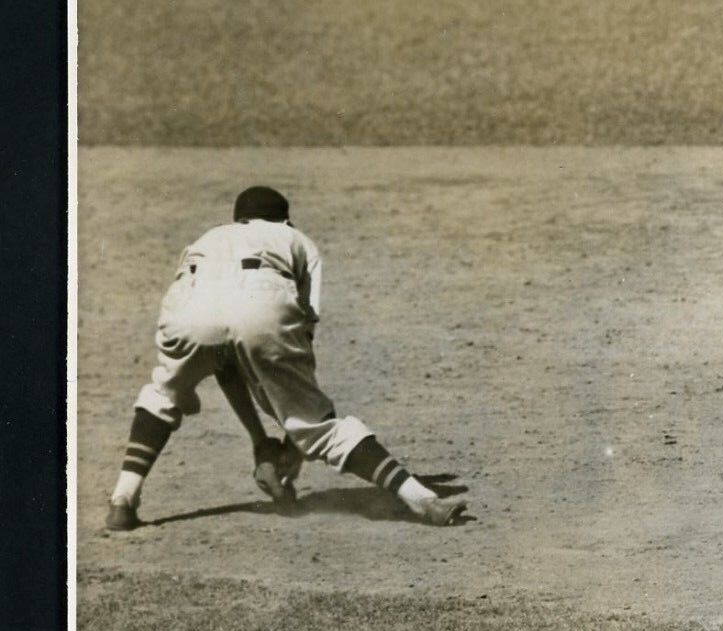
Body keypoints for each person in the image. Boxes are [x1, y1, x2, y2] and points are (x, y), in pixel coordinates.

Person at [105, 185, 467, 530]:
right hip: (263, 302)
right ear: (284, 221)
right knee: (318, 424)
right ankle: (421, 498)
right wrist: (297, 435)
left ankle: (123, 498)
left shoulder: (207, 239)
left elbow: (224, 359)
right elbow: (296, 343)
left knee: (163, 396)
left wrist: (261, 442)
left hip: (187, 310)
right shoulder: (295, 239)